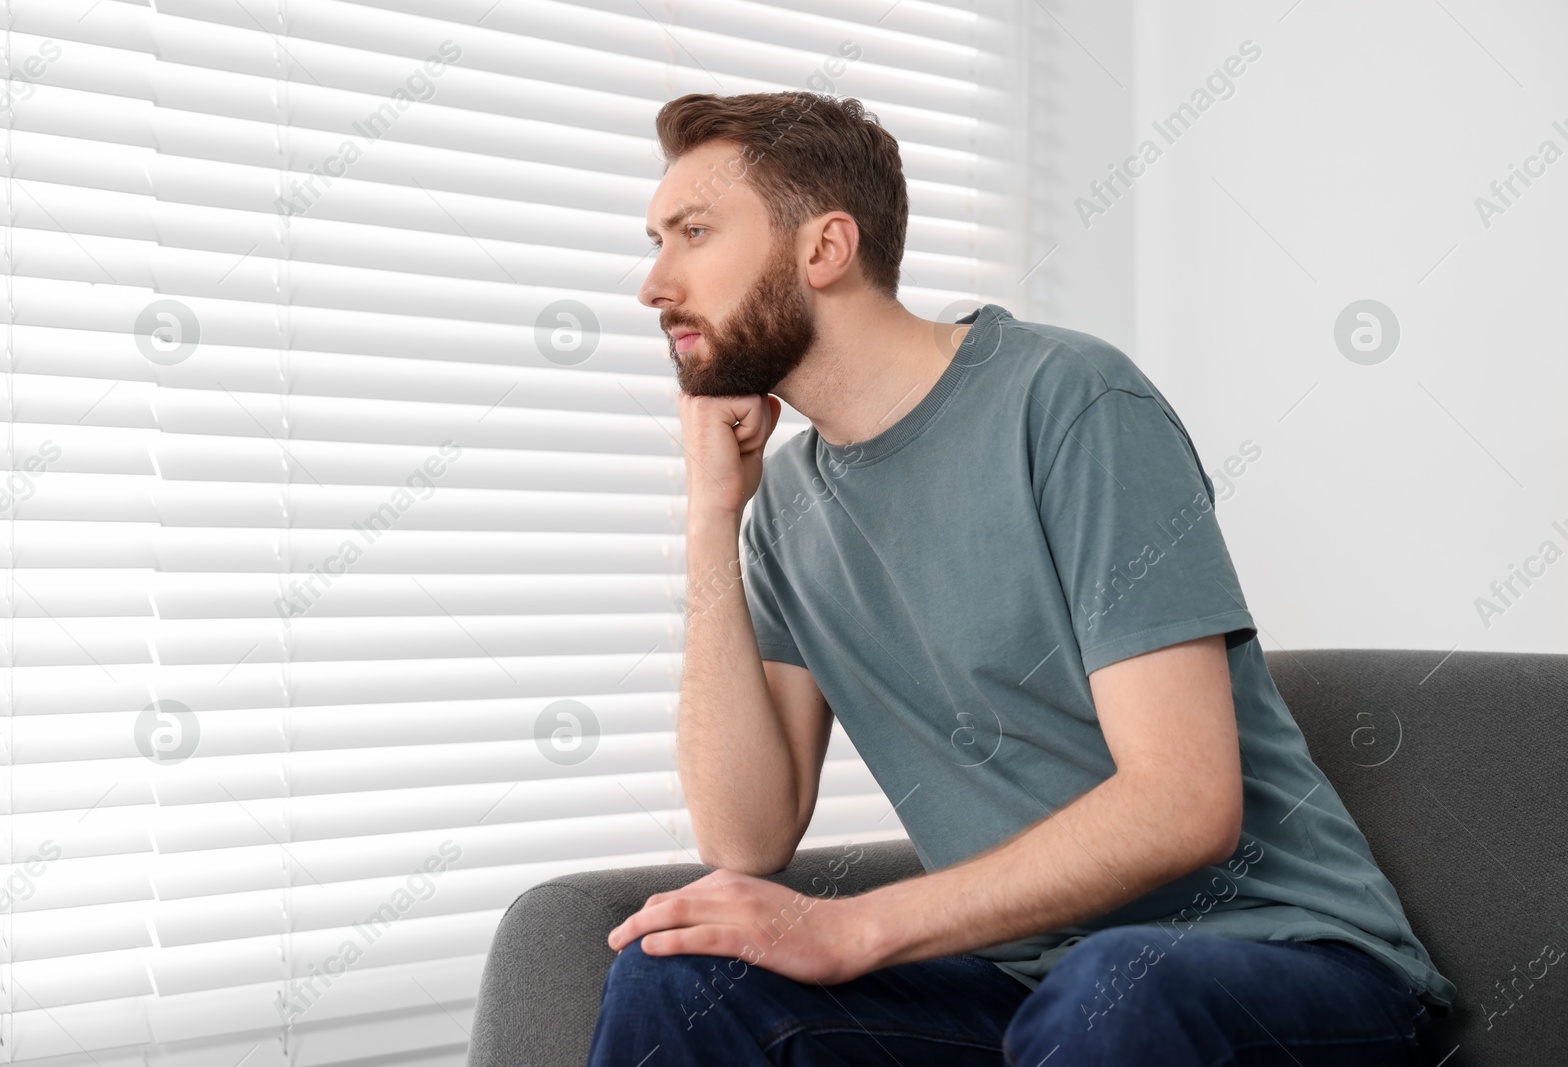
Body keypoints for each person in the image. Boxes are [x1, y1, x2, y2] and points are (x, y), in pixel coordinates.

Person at [586, 89, 1453, 1066]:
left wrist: (856, 927)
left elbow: (1183, 801)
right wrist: (712, 518)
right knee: (678, 976)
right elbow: (746, 835)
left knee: (1109, 991)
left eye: (692, 233)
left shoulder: (1069, 402)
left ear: (824, 249)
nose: (653, 284)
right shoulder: (785, 507)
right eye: (656, 239)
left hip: (1287, 969)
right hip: (1027, 989)